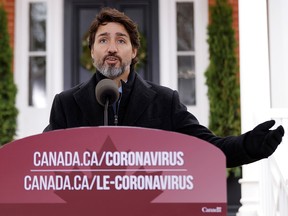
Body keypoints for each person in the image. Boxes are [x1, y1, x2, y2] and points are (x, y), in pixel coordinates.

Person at [44, 7, 285, 168]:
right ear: (93, 50)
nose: (112, 48)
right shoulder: (66, 104)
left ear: (134, 51)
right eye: (103, 40)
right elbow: (41, 160)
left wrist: (249, 146)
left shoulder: (164, 101)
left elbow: (208, 148)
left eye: (121, 40)